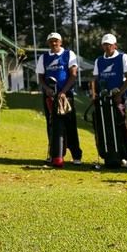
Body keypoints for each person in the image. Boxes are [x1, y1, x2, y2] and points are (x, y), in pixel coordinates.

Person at [36, 32, 83, 167]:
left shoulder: (69, 54)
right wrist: (47, 89)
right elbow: (41, 77)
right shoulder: (43, 57)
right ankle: (55, 154)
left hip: (66, 95)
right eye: (51, 41)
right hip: (50, 96)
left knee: (70, 125)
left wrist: (63, 91)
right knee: (52, 125)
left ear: (61, 42)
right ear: (48, 43)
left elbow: (73, 75)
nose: (54, 43)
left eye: (56, 41)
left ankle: (76, 155)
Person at [91, 33, 127, 168]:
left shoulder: (123, 57)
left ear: (115, 45)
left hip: (118, 97)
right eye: (105, 44)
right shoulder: (99, 60)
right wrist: (94, 94)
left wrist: (119, 94)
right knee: (106, 126)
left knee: (121, 125)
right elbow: (95, 80)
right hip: (104, 98)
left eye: (109, 44)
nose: (107, 47)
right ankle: (114, 154)